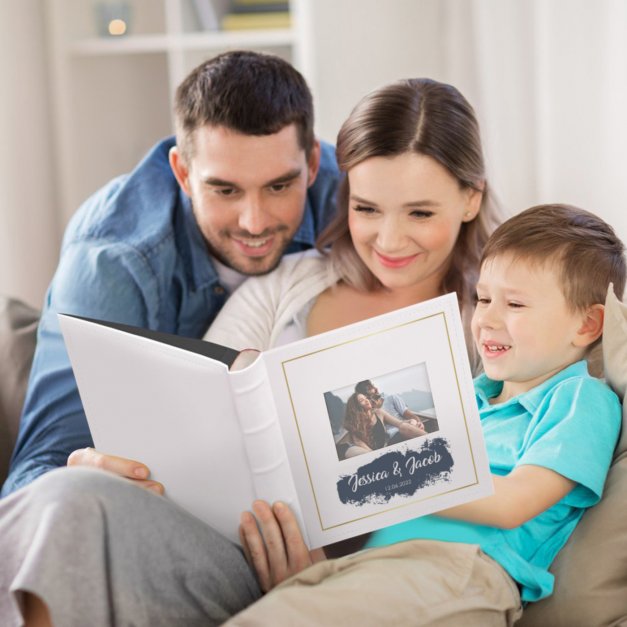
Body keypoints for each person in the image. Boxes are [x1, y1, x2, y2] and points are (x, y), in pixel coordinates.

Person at [0, 77, 500, 626]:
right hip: (214, 546)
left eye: (420, 214)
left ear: (470, 197)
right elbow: (189, 405)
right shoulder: (291, 282)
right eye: (367, 209)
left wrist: (320, 578)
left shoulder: (492, 325)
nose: (388, 239)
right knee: (71, 497)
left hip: (355, 582)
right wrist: (109, 464)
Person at [225, 203, 624, 626]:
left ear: (586, 325)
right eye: (483, 298)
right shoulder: (467, 394)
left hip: (460, 571)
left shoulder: (581, 399)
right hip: (374, 566)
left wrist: (386, 473)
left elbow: (512, 503)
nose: (486, 318)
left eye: (516, 305)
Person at [1, 50, 340, 497]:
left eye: (279, 186)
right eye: (224, 189)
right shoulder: (113, 262)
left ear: (312, 163)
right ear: (182, 172)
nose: (254, 221)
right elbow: (31, 479)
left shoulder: (355, 201)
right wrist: (80, 483)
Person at [340, 391, 425, 459]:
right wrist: (379, 457)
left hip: (385, 448)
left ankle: (431, 439)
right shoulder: (354, 423)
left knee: (403, 427)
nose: (367, 400)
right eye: (362, 400)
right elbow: (360, 444)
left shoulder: (379, 412)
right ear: (355, 407)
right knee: (358, 453)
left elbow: (400, 423)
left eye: (366, 398)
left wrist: (413, 421)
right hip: (369, 453)